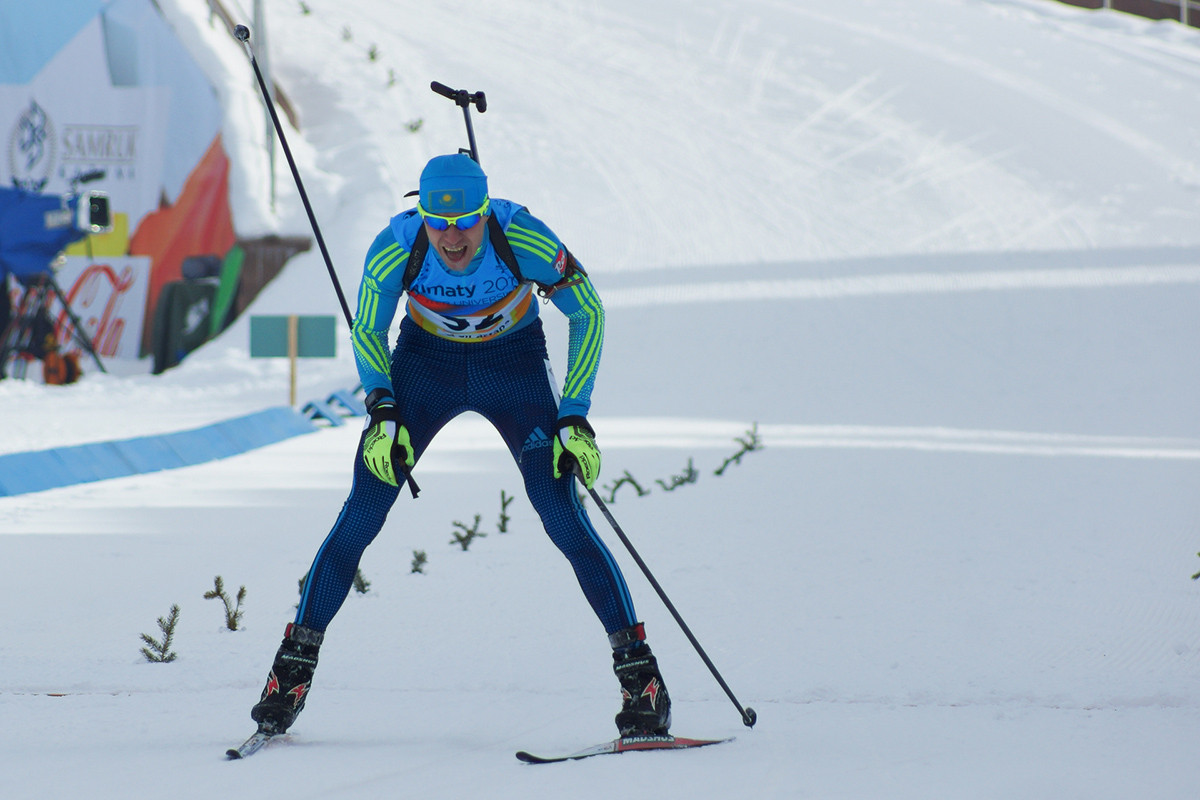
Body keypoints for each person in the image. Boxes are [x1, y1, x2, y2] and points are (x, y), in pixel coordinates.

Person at [248, 154, 671, 739]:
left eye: (466, 221)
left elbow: (588, 310)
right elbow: (367, 328)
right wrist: (382, 408)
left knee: (561, 515)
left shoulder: (520, 234)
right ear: (419, 213)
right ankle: (290, 675)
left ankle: (642, 682)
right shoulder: (396, 246)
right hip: (427, 368)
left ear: (484, 211)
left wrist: (575, 415)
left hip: (514, 366)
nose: (450, 237)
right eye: (436, 222)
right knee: (362, 511)